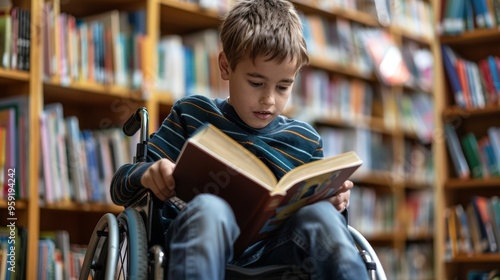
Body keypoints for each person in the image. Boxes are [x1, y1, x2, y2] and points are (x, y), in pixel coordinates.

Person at [111, 0, 370, 279]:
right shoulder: (192, 114)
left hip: (279, 259)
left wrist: (337, 203)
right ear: (225, 67)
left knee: (322, 217)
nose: (269, 99)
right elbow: (120, 189)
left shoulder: (304, 140)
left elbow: (332, 230)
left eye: (284, 86)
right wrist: (147, 174)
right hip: (199, 251)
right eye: (256, 83)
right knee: (210, 209)